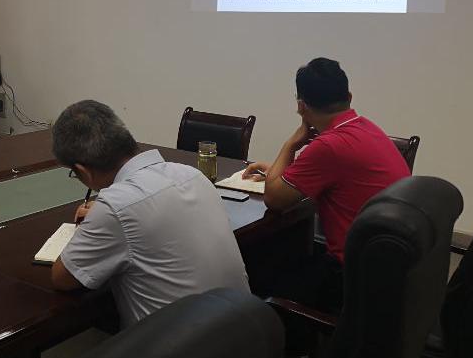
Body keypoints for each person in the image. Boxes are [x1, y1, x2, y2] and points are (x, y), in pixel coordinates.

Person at [50, 100, 250, 328]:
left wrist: (100, 219)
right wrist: (105, 215)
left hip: (179, 347)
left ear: (83, 171)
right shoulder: (192, 175)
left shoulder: (115, 207)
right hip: (245, 334)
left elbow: (63, 278)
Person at [243, 57, 411, 313]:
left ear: (301, 106)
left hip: (351, 278)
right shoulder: (366, 128)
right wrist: (282, 173)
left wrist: (291, 144)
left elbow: (274, 200)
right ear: (349, 97)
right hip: (389, 269)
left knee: (257, 274)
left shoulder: (329, 146)